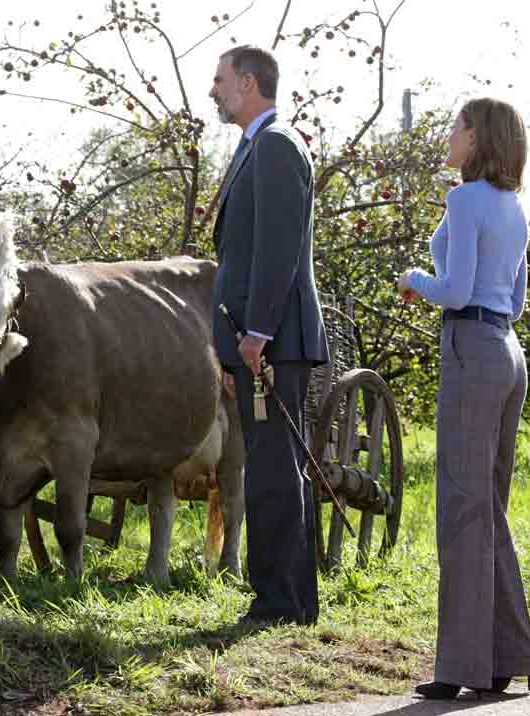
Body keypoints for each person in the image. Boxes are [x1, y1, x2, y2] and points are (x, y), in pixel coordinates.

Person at [397, 97, 530, 698]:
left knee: (461, 509)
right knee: (487, 508)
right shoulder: (514, 207)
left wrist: (413, 281)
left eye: (456, 126)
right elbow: (519, 294)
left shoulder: (462, 201)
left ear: (477, 138)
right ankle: (503, 656)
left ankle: (460, 668)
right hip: (508, 352)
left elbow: (454, 290)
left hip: (471, 349)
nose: (448, 134)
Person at [208, 46, 329, 627]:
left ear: (250, 82)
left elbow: (277, 250)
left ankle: (282, 602)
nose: (214, 90)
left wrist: (256, 332)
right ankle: (290, 599)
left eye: (221, 80)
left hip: (271, 341)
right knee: (273, 466)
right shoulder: (257, 145)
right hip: (257, 339)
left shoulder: (277, 145)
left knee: (276, 471)